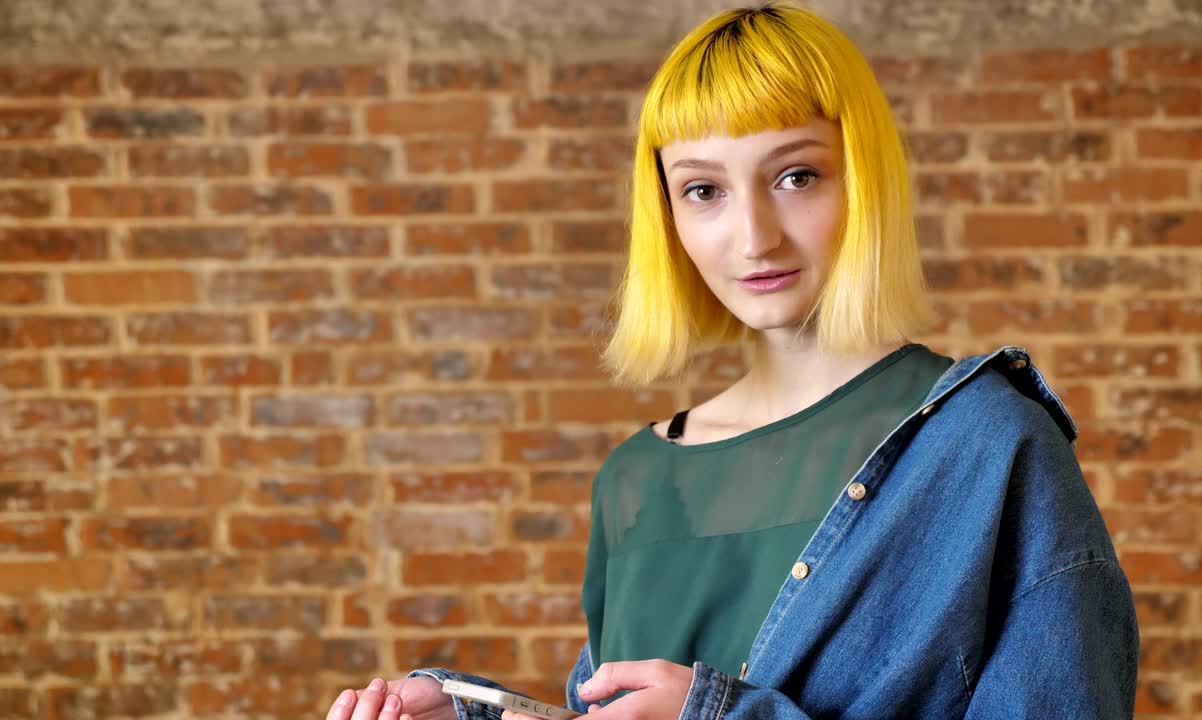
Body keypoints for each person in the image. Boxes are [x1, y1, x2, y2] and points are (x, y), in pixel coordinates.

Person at [325, 4, 1139, 720]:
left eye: (795, 175)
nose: (753, 236)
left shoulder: (989, 445)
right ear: (667, 213)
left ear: (865, 179)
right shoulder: (639, 477)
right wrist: (473, 716)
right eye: (703, 190)